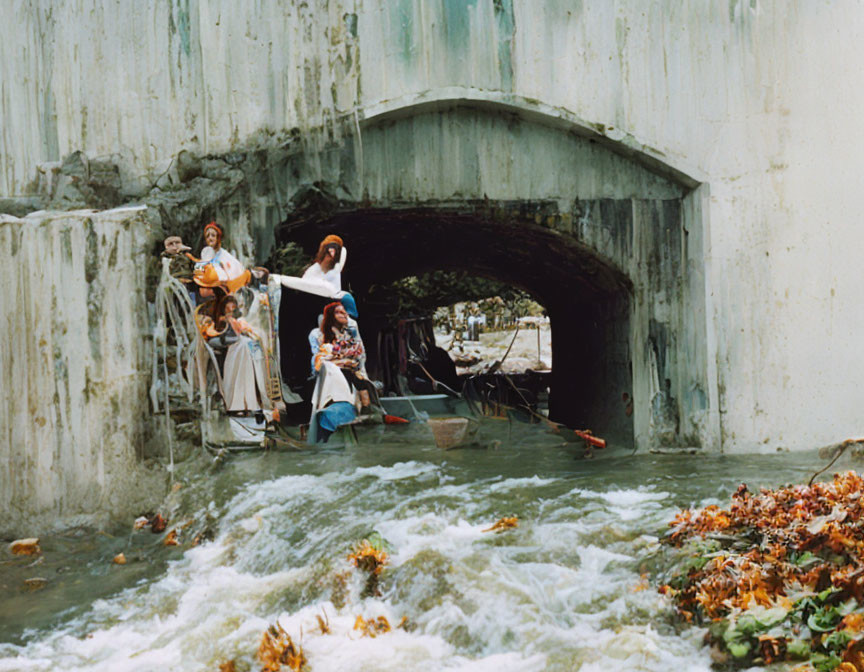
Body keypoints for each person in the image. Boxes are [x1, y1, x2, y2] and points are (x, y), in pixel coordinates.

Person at [315, 302, 377, 412]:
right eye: (338, 312)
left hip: (351, 367)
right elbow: (324, 355)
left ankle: (365, 407)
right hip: (334, 370)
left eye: (344, 312)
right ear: (331, 316)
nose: (343, 315)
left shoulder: (350, 330)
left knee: (359, 380)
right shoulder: (324, 335)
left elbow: (357, 350)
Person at [193, 222, 250, 294]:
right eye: (207, 236)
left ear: (218, 237)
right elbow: (198, 272)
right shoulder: (205, 253)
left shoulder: (225, 256)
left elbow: (233, 274)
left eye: (213, 235)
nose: (210, 238)